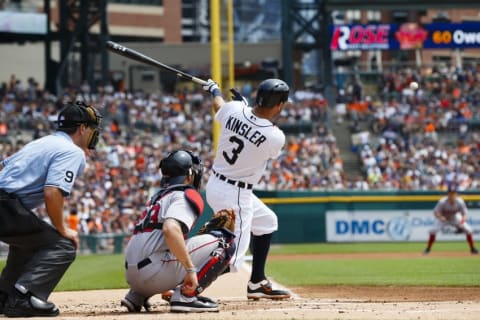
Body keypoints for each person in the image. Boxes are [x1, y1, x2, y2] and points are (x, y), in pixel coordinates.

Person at [0, 101, 102, 317]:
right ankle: (24, 297)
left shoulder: (43, 142)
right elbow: (52, 192)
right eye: (93, 128)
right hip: (4, 205)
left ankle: (4, 295)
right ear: (82, 128)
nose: (94, 134)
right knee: (63, 245)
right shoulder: (71, 151)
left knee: (29, 243)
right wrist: (63, 228)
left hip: (6, 203)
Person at [202, 78, 291, 300]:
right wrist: (245, 109)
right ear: (279, 105)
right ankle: (184, 288)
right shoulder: (275, 136)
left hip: (217, 184)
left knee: (267, 221)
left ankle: (257, 282)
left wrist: (214, 91)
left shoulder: (233, 109)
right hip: (236, 194)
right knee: (232, 261)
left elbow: (220, 106)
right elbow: (261, 129)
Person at [120, 149, 236, 313]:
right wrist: (190, 269)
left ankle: (136, 296)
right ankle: (185, 298)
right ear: (189, 175)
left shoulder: (157, 198)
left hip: (132, 276)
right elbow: (170, 229)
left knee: (171, 247)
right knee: (225, 241)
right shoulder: (185, 194)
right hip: (152, 273)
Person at [423, 185, 478, 255]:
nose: (452, 195)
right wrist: (440, 217)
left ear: (456, 194)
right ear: (448, 194)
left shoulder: (460, 202)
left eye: (453, 193)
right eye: (450, 193)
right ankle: (428, 249)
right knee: (433, 230)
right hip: (443, 218)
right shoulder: (442, 202)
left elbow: (464, 214)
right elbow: (435, 212)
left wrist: (462, 221)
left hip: (455, 217)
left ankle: (473, 249)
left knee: (468, 229)